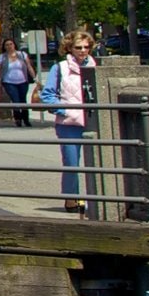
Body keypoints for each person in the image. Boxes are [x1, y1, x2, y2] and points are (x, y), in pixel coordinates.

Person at [41, 29, 97, 214]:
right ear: (69, 48)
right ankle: (71, 199)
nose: (83, 51)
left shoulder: (96, 66)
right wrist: (65, 111)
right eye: (78, 47)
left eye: (86, 47)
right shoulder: (60, 68)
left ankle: (99, 200)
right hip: (69, 124)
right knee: (72, 163)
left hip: (91, 121)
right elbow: (47, 96)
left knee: (97, 163)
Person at [0, 43, 34, 126]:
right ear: (4, 47)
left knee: (23, 100)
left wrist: (34, 78)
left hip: (23, 81)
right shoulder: (2, 57)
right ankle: (18, 119)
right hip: (9, 82)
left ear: (14, 45)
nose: (9, 46)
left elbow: (29, 66)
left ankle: (26, 119)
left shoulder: (22, 55)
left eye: (11, 44)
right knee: (16, 100)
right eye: (7, 45)